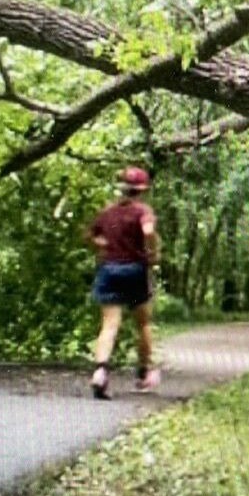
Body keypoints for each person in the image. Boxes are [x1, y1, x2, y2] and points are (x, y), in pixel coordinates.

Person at [86, 166, 161, 400]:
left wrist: (105, 245)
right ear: (142, 190)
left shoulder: (107, 212)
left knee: (109, 325)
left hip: (109, 269)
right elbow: (148, 232)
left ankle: (100, 372)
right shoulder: (142, 211)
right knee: (143, 324)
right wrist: (153, 251)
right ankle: (143, 373)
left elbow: (91, 235)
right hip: (135, 270)